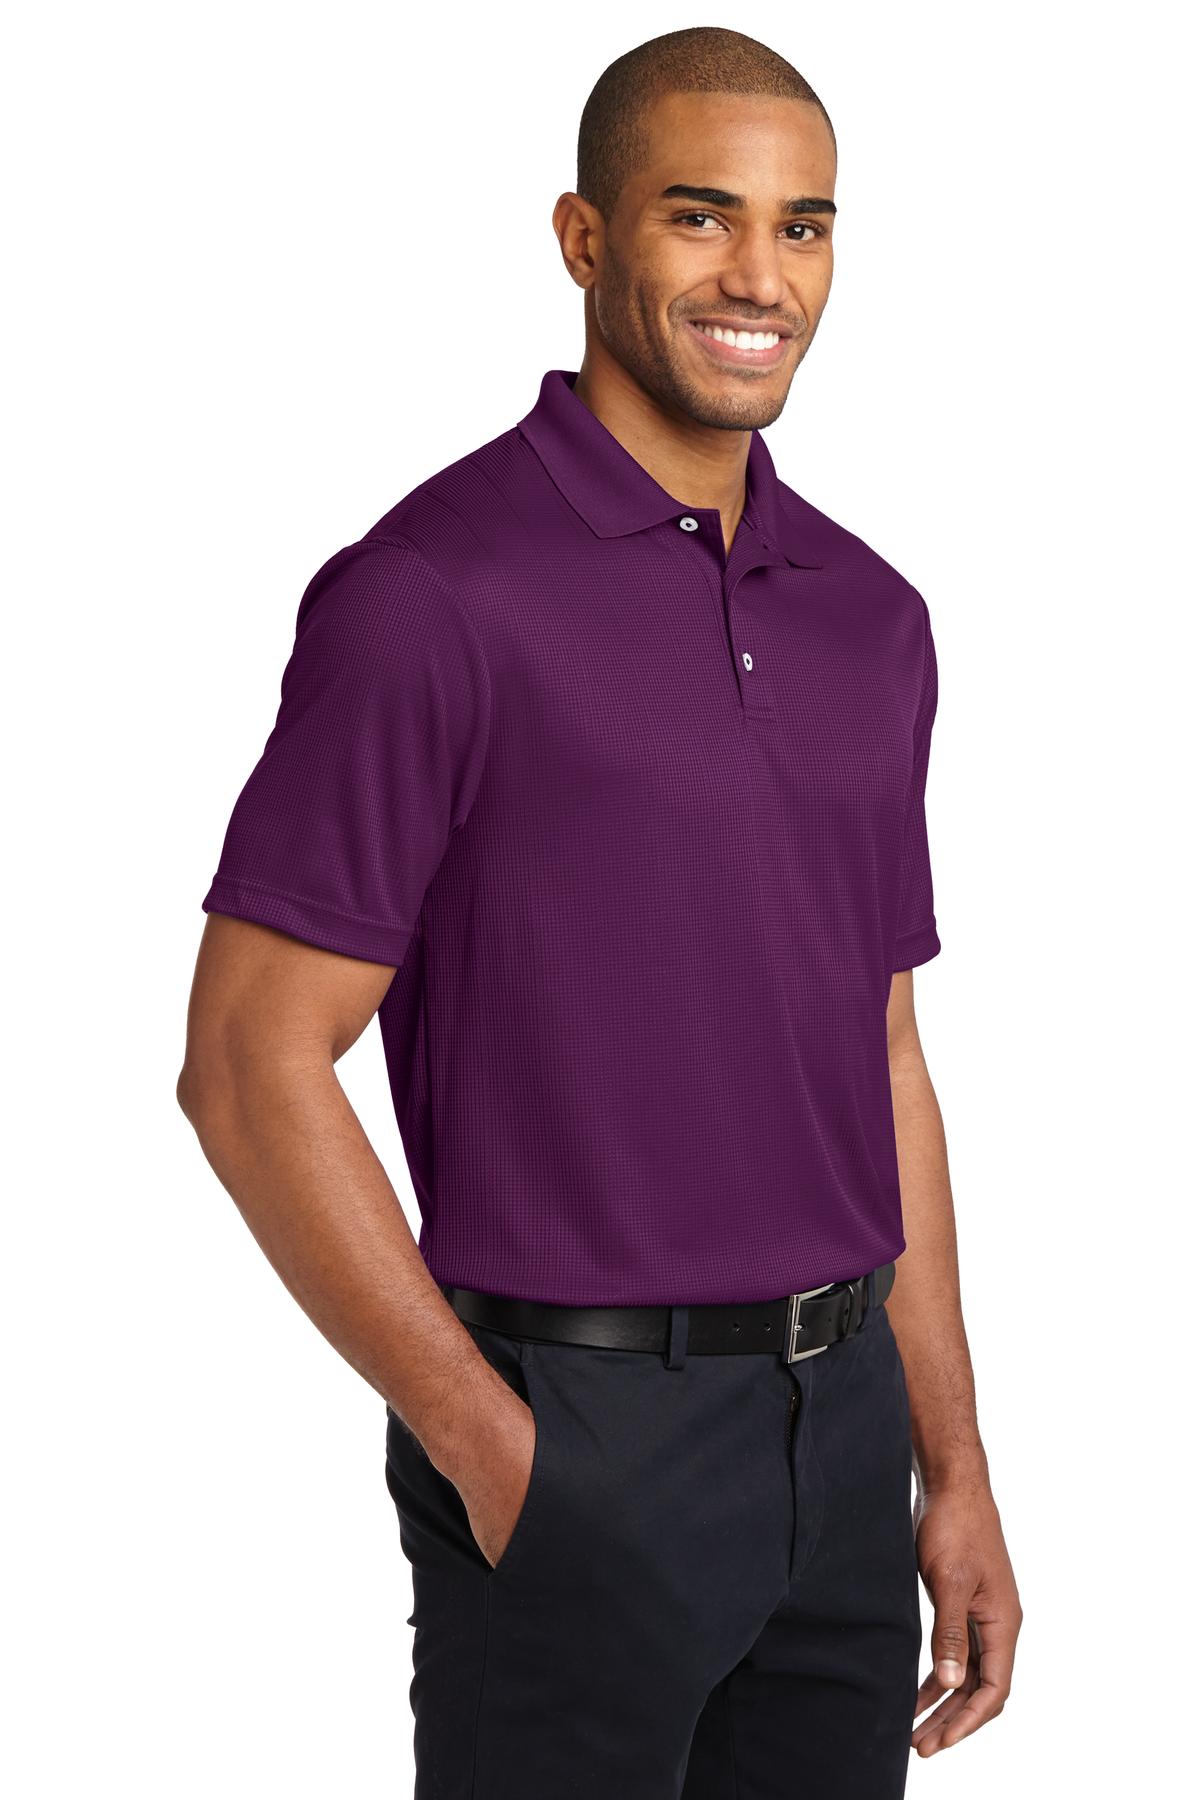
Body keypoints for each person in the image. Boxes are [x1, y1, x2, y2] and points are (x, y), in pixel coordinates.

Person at [178, 25, 1021, 1798]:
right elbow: (251, 1065)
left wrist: (952, 1468)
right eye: (701, 217)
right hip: (580, 1431)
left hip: (845, 1437)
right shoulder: (432, 595)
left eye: (803, 227)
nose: (759, 277)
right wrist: (493, 1449)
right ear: (582, 237)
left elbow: (882, 1051)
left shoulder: (873, 617)